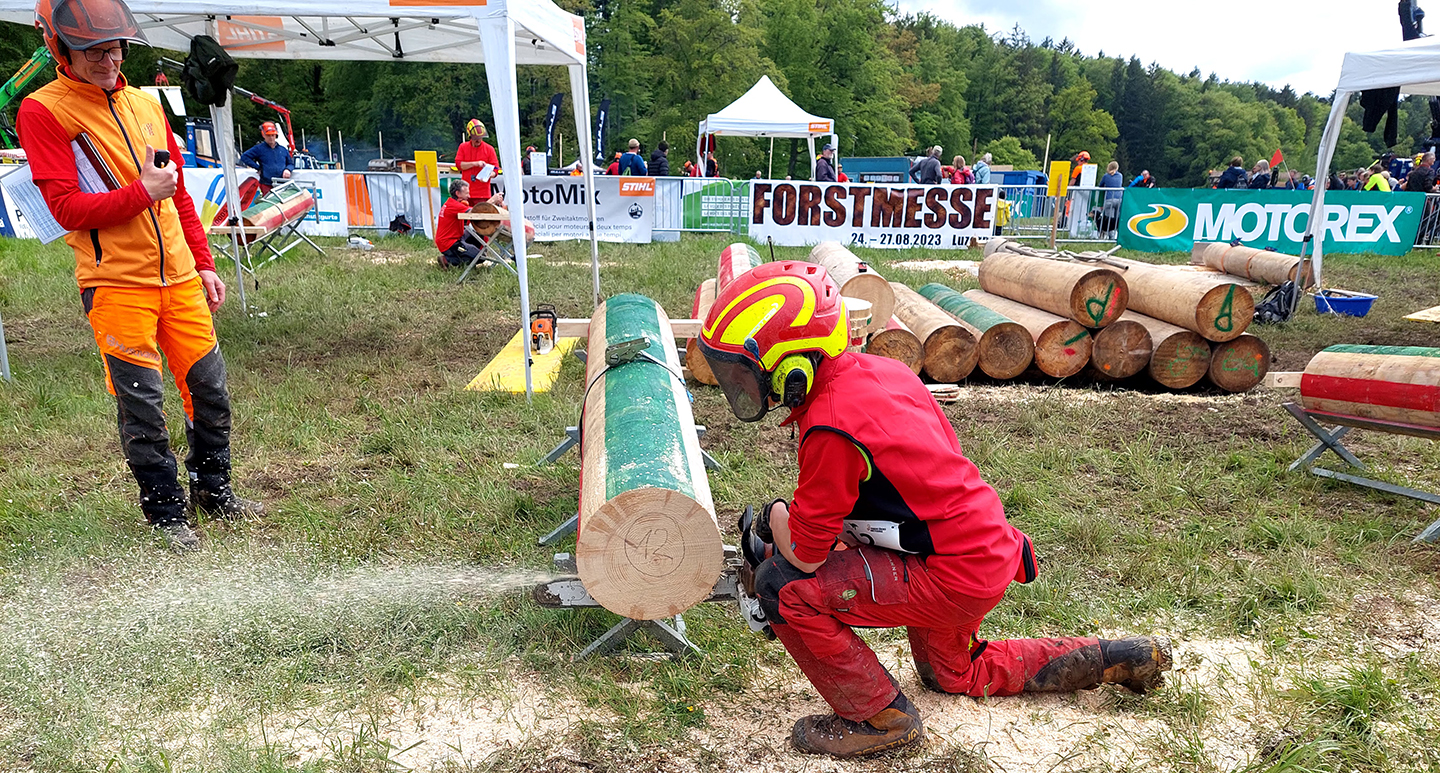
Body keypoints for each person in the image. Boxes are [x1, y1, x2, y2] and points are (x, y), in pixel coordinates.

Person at [698, 262, 1172, 759]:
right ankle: (1115, 658)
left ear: (792, 367)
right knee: (953, 674)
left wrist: (776, 518)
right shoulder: (882, 372)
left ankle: (879, 718)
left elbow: (808, 555)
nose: (744, 388)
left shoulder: (829, 428)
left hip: (947, 572)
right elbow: (909, 479)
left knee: (784, 583)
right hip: (981, 549)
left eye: (746, 374)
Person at [19, 0, 263, 552]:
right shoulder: (43, 111)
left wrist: (202, 263)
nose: (108, 61)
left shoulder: (146, 103)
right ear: (61, 50)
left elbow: (174, 192)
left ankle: (214, 493)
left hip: (178, 276)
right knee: (142, 403)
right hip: (114, 284)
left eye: (114, 49)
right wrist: (138, 195)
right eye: (93, 52)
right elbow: (65, 208)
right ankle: (167, 515)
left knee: (210, 391)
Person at [454, 118, 500, 206]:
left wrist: (490, 175)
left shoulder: (489, 149)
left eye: (480, 138)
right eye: (475, 138)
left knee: (481, 217)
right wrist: (475, 164)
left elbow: (496, 169)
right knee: (464, 217)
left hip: (482, 193)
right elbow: (459, 165)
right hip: (465, 193)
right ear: (470, 136)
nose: (478, 140)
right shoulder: (463, 147)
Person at [239, 121, 292, 191]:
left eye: (273, 135)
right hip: (266, 184)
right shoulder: (259, 148)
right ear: (263, 135)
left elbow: (291, 163)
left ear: (276, 135)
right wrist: (258, 167)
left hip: (282, 184)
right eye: (268, 135)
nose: (271, 138)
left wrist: (288, 169)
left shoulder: (283, 149)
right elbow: (244, 157)